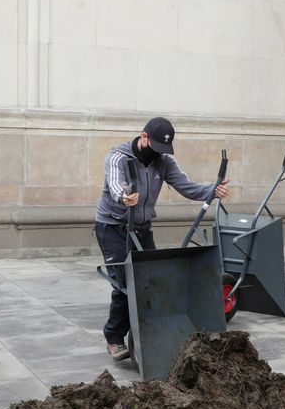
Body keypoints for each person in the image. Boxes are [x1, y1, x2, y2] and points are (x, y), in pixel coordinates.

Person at [94, 117, 231, 360]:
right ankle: (114, 338)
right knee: (126, 283)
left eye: (163, 149)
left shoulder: (164, 161)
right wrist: (124, 197)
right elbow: (116, 184)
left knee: (151, 280)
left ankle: (147, 335)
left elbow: (186, 186)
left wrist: (213, 190)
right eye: (156, 147)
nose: (159, 154)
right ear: (143, 137)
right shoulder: (118, 157)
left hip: (142, 228)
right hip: (113, 226)